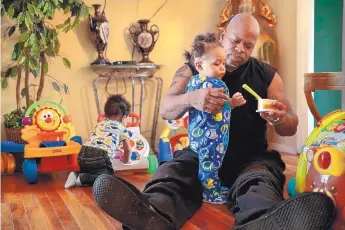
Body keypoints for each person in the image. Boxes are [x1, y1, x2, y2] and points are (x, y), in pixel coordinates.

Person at [92, 13, 336, 230]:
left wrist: (280, 117)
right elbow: (166, 110)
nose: (240, 49)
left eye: (248, 46)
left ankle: (263, 220)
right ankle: (151, 214)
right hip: (200, 153)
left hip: (249, 157)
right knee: (172, 174)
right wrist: (192, 97)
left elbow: (291, 125)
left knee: (260, 182)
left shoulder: (267, 75)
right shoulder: (194, 67)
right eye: (235, 41)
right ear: (222, 35)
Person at [184, 32, 246, 204]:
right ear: (199, 65)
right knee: (211, 165)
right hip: (212, 139)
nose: (222, 68)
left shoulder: (193, 82)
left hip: (196, 136)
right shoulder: (218, 85)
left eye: (223, 63)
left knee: (205, 164)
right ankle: (210, 193)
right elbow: (217, 106)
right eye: (217, 63)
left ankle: (214, 185)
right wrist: (232, 102)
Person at [65, 94, 132, 188]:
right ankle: (82, 179)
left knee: (92, 168)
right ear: (123, 117)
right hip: (100, 156)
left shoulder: (99, 124)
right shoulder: (122, 128)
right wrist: (126, 161)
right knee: (108, 175)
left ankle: (75, 174)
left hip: (83, 152)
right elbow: (128, 149)